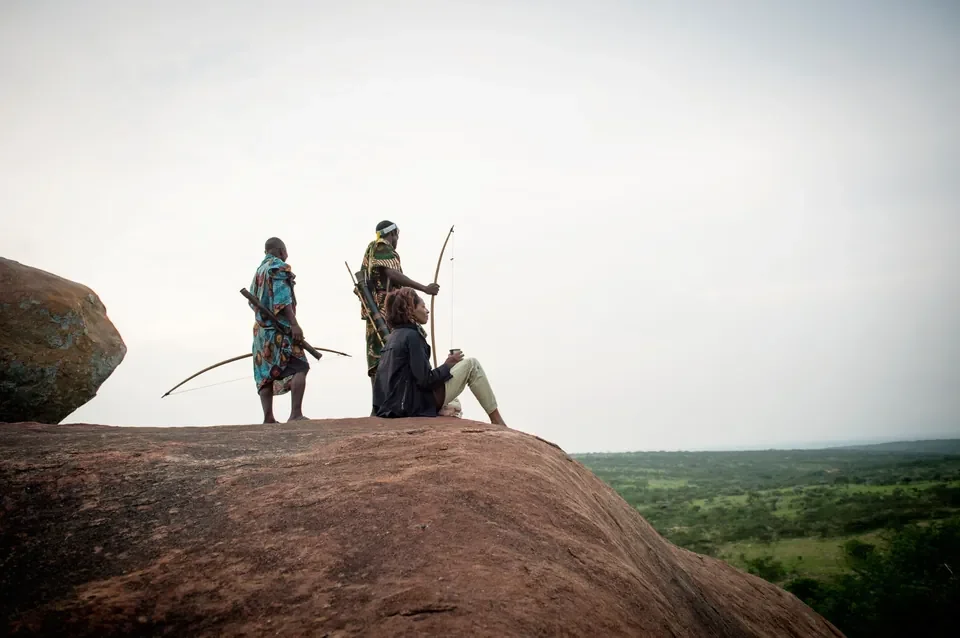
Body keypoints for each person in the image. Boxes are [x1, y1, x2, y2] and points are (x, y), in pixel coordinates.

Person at [372, 287, 507, 426]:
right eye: (423, 306)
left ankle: (444, 416)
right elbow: (425, 381)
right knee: (472, 365)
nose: (427, 311)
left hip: (393, 406)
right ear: (410, 309)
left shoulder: (392, 338)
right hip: (411, 406)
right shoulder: (412, 336)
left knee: (454, 402)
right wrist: (448, 365)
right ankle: (497, 420)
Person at [359, 220, 440, 382]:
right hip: (385, 310)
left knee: (384, 353)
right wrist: (424, 288)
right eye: (397, 235)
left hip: (379, 310)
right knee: (399, 347)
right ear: (393, 233)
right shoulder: (381, 246)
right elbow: (391, 273)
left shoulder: (372, 250)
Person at [249, 237, 309, 424]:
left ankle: (268, 418)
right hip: (280, 331)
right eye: (286, 251)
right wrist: (294, 325)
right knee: (301, 366)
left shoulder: (259, 272)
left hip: (261, 331)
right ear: (281, 251)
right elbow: (283, 300)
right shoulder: (279, 268)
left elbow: (252, 302)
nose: (287, 255)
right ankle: (296, 414)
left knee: (265, 374)